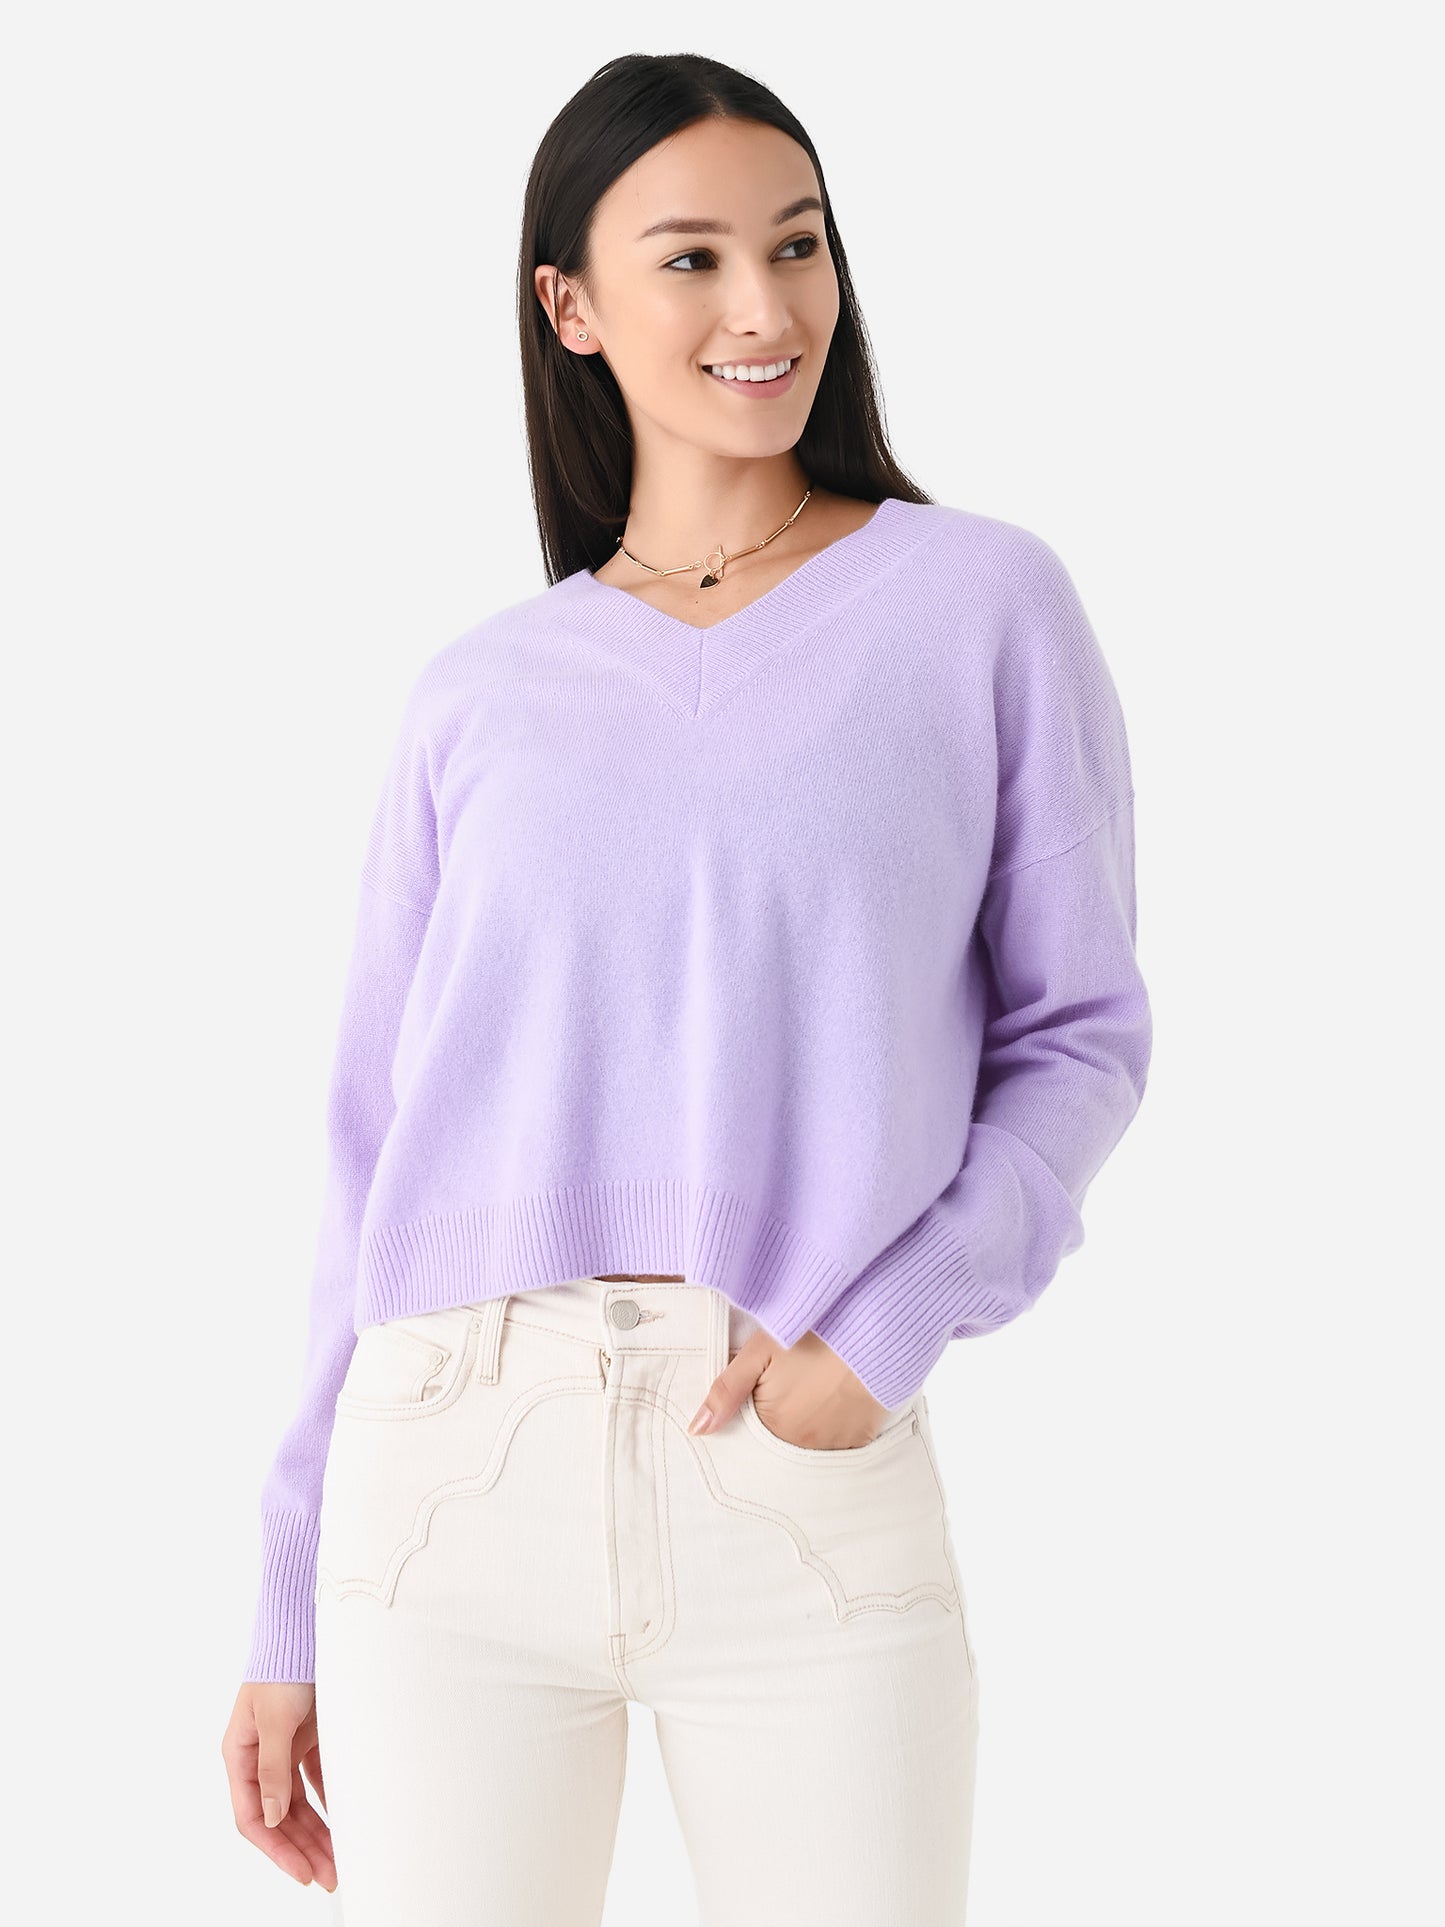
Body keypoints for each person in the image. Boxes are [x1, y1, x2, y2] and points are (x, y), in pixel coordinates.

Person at [220, 50, 1152, 1927]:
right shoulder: (479, 693)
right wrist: (284, 1594)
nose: (764, 309)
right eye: (693, 259)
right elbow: (370, 1151)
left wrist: (880, 1335)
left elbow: (1077, 1036)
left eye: (796, 247)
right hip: (451, 1473)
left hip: (797, 1454)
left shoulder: (979, 605)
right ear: (568, 306)